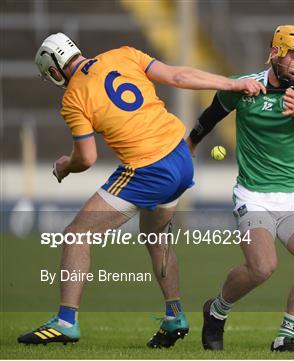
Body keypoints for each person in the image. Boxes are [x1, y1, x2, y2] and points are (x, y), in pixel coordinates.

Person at [17, 32, 265, 348]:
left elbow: (87, 158)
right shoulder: (123, 53)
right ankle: (175, 315)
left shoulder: (73, 97)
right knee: (155, 236)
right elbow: (179, 75)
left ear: (54, 71)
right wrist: (233, 83)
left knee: (76, 234)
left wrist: (65, 166)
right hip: (180, 157)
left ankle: (66, 321)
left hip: (149, 170)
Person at [186, 25, 294, 352]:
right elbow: (209, 117)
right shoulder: (243, 87)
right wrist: (190, 144)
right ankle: (217, 311)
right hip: (253, 195)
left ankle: (284, 338)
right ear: (276, 52)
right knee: (262, 267)